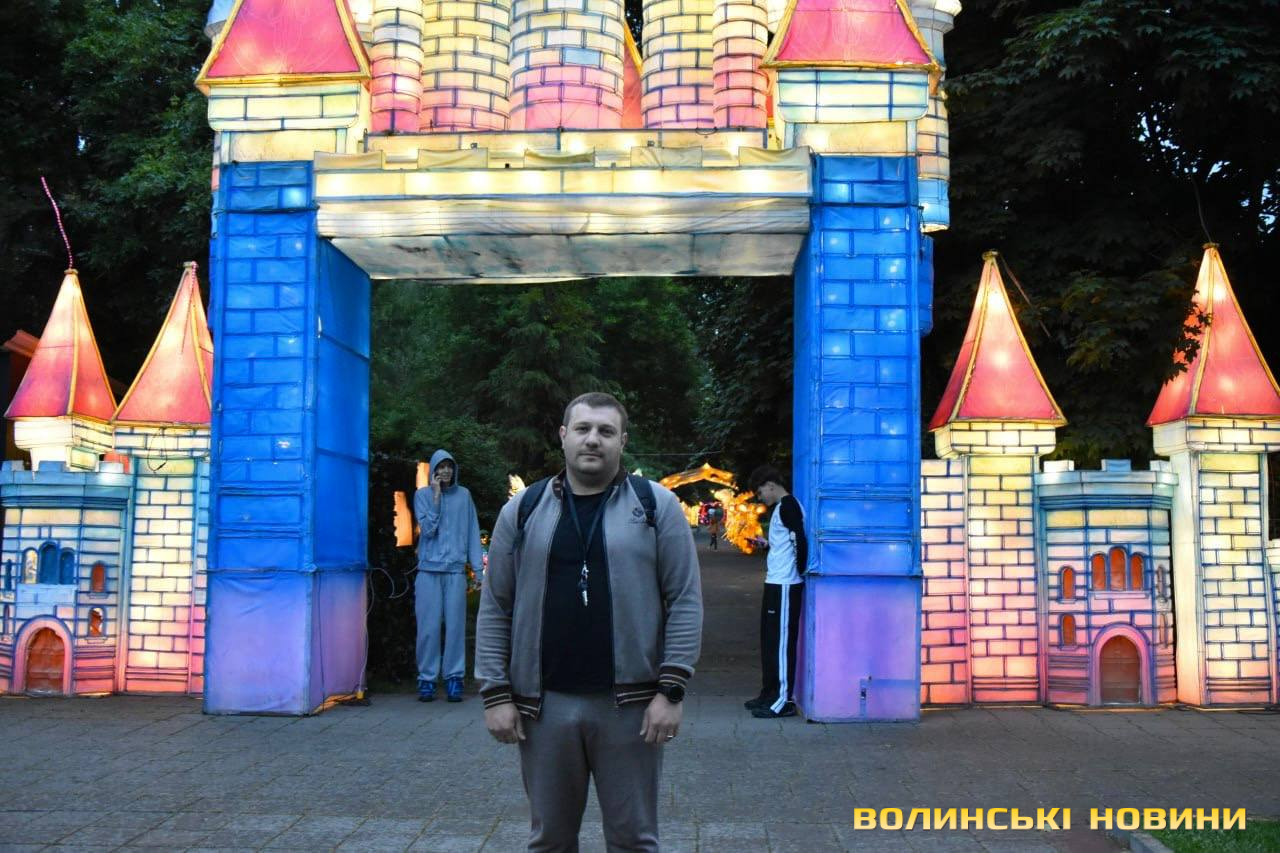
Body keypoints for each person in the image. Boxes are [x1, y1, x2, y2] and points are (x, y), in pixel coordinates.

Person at [476, 391, 703, 852]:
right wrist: (494, 693)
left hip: (632, 708)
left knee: (634, 840)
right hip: (544, 708)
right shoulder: (523, 509)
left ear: (623, 441)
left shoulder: (656, 507)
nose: (593, 440)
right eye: (582, 429)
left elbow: (684, 598)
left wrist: (671, 691)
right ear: (564, 436)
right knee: (550, 841)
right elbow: (496, 604)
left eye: (605, 431)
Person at [414, 449, 483, 703]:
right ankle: (427, 679)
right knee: (428, 629)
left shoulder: (464, 496)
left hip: (455, 571)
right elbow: (428, 530)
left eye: (449, 466)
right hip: (428, 572)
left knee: (455, 627)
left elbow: (472, 531)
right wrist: (435, 497)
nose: (445, 471)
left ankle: (454, 679)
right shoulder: (422, 496)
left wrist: (478, 569)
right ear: (433, 470)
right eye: (441, 467)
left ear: (454, 470)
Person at [745, 465, 807, 719]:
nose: (761, 498)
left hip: (785, 585)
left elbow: (799, 540)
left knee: (781, 644)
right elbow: (787, 542)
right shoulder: (783, 508)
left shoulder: (789, 505)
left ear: (770, 485)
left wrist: (800, 571)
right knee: (771, 641)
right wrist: (767, 545)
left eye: (760, 493)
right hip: (776, 582)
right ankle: (770, 694)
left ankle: (783, 700)